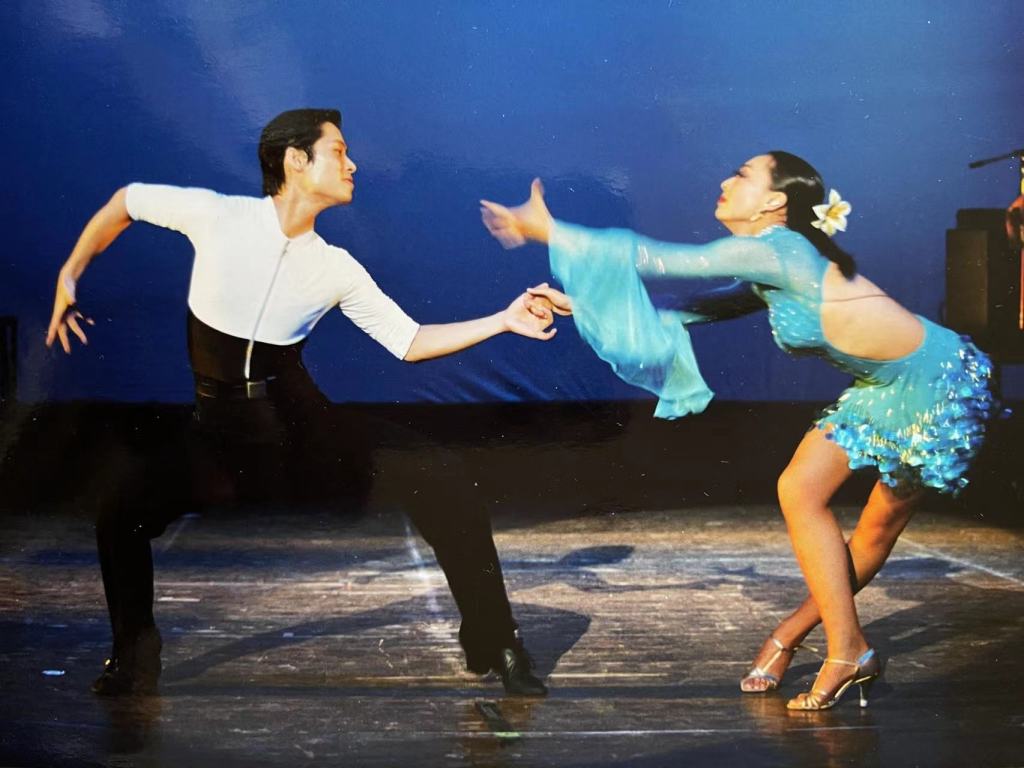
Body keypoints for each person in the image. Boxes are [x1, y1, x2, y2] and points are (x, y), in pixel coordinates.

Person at [46, 108, 561, 697]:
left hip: (302, 432)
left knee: (441, 476)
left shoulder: (334, 267)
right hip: (219, 437)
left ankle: (496, 640)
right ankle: (135, 656)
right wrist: (70, 275)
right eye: (338, 151)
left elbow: (410, 341)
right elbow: (125, 202)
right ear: (296, 160)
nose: (352, 164)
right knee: (120, 512)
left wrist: (503, 320)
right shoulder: (216, 216)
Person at [480, 151, 999, 710]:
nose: (727, 180)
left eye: (744, 174)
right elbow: (690, 309)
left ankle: (828, 646)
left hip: (936, 381)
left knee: (873, 527)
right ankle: (831, 644)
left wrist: (550, 229)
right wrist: (578, 302)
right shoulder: (769, 262)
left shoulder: (779, 249)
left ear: (774, 201)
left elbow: (657, 258)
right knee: (800, 490)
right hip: (884, 385)